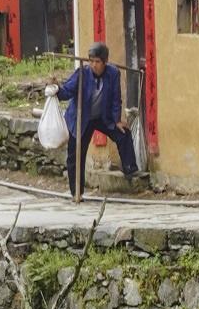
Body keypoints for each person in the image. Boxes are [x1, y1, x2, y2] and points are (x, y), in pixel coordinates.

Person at [54, 41, 138, 198]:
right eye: (91, 61)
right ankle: (76, 192)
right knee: (75, 154)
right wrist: (56, 88)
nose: (94, 65)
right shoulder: (82, 74)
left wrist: (117, 120)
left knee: (123, 133)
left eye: (97, 62)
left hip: (103, 117)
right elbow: (66, 91)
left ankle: (130, 169)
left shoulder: (113, 73)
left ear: (105, 62)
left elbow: (115, 99)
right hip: (81, 118)